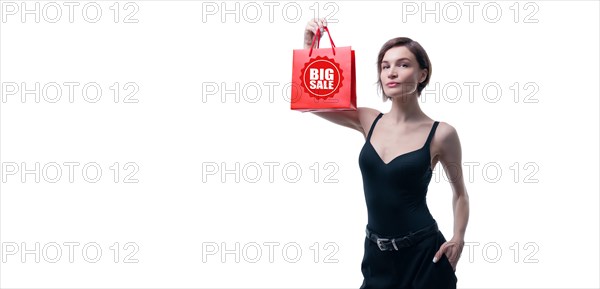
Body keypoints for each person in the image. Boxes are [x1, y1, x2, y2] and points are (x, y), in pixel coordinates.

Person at [302, 19, 470, 289]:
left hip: (425, 256)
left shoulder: (442, 134)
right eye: (385, 66)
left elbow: (460, 193)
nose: (391, 72)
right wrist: (310, 48)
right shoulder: (368, 119)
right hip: (376, 256)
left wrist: (458, 238)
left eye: (403, 64)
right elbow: (310, 102)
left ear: (423, 74)